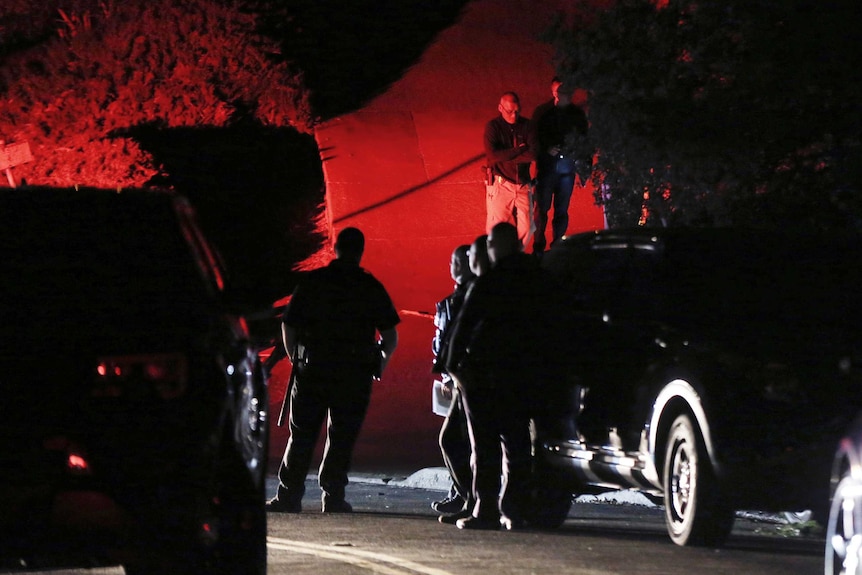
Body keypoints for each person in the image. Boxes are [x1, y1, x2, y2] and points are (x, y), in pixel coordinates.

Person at [267, 227, 400, 513]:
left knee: (301, 435)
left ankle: (289, 496)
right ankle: (334, 496)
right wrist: (379, 365)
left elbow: (288, 325)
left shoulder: (314, 282)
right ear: (360, 252)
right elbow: (390, 337)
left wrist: (296, 358)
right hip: (354, 373)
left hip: (313, 368)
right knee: (342, 435)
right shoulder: (369, 286)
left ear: (335, 247)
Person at [444, 223, 560, 530]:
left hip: (486, 373)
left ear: (500, 245)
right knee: (517, 443)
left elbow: (464, 326)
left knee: (485, 445)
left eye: (491, 243)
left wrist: (454, 366)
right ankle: (514, 508)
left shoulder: (492, 280)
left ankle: (486, 510)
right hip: (525, 374)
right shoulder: (539, 278)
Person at [430, 245, 475, 517]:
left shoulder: (470, 297)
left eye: (456, 262)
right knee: (457, 440)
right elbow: (442, 341)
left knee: (456, 440)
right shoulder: (450, 300)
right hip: (455, 378)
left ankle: (469, 497)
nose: (452, 267)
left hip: (467, 380)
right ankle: (461, 494)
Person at [531, 78, 590, 255]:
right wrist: (546, 150)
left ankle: (557, 245)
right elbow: (535, 138)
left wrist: (585, 169)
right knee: (542, 208)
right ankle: (539, 244)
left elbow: (584, 141)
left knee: (561, 210)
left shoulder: (577, 115)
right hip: (548, 168)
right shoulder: (545, 113)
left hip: (566, 168)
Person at [483, 92, 538, 248]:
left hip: (522, 184)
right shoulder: (493, 127)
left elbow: (533, 153)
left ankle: (515, 256)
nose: (514, 115)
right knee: (497, 228)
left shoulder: (528, 126)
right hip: (501, 184)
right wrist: (518, 150)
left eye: (517, 111)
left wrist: (507, 156)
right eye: (509, 111)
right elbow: (493, 156)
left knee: (527, 227)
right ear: (500, 108)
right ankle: (498, 260)